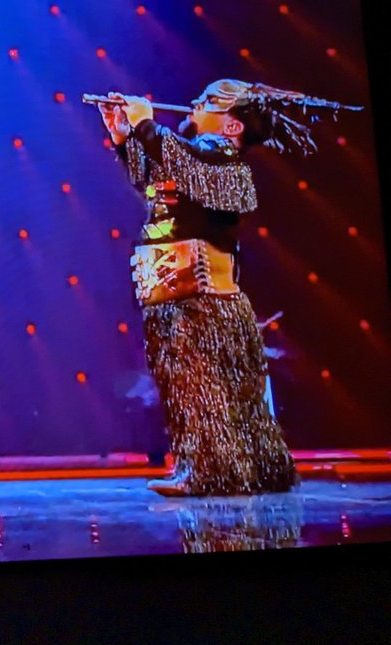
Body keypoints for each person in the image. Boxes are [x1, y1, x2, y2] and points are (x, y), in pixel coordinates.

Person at [98, 79, 357, 496]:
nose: (194, 103)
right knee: (195, 390)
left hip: (202, 304)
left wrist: (146, 126)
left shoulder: (220, 160)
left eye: (208, 101)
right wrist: (125, 136)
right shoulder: (194, 162)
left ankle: (214, 472)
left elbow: (182, 158)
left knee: (206, 392)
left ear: (233, 127)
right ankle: (236, 468)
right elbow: (157, 173)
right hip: (173, 297)